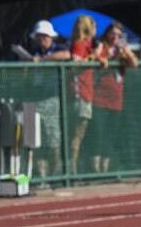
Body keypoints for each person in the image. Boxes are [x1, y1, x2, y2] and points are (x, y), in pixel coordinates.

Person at [92, 21, 139, 174]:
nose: (115, 37)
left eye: (118, 35)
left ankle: (105, 168)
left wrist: (127, 53)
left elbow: (134, 64)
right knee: (98, 133)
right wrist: (113, 58)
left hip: (116, 98)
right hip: (100, 97)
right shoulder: (101, 46)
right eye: (113, 34)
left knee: (110, 134)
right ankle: (95, 167)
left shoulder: (122, 49)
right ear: (107, 33)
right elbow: (97, 61)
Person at [28, 20, 70, 185]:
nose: (41, 40)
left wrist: (43, 59)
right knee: (36, 140)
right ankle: (41, 177)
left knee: (53, 139)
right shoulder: (33, 51)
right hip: (34, 98)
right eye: (39, 37)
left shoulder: (58, 49)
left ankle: (56, 175)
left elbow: (67, 55)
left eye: (44, 36)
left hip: (51, 98)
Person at [67, 15, 106, 175]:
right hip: (79, 95)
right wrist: (94, 56)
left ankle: (75, 167)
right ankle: (71, 169)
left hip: (87, 94)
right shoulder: (78, 45)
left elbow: (100, 56)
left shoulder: (90, 45)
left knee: (81, 134)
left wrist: (100, 57)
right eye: (93, 25)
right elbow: (77, 64)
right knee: (77, 134)